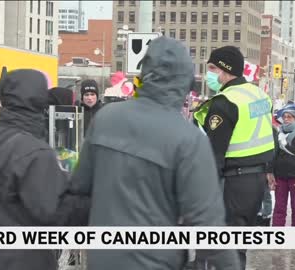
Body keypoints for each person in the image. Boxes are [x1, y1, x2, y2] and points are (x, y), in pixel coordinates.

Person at [70, 36, 240, 270]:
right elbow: (208, 224)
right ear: (184, 83)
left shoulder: (105, 119)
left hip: (104, 260)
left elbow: (78, 195)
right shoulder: (189, 140)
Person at [0, 69, 88, 270]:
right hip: (28, 259)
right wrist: (85, 198)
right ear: (39, 100)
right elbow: (55, 213)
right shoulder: (36, 151)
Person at [193, 46, 275, 268]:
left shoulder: (225, 102)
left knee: (220, 248)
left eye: (211, 68)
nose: (208, 73)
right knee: (237, 245)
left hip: (232, 183)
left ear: (224, 70)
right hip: (255, 183)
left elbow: (213, 154)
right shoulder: (258, 95)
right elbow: (269, 134)